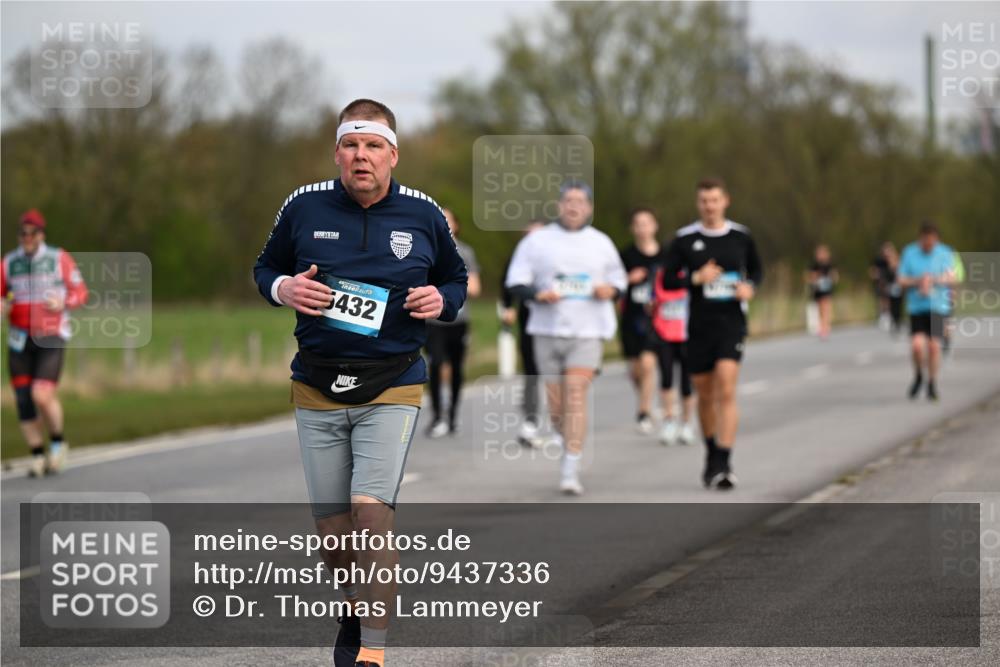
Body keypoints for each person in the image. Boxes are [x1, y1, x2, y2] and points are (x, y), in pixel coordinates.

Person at [253, 98, 467, 667]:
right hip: (317, 385)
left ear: (393, 154)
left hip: (391, 383)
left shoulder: (421, 214)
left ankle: (370, 654)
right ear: (337, 153)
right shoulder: (303, 206)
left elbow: (455, 278)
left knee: (369, 510)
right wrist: (285, 290)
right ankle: (357, 606)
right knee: (333, 532)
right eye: (351, 145)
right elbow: (264, 268)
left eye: (373, 145)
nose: (361, 156)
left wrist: (440, 300)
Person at [505, 182, 627, 495]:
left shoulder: (601, 242)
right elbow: (515, 282)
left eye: (580, 201)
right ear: (559, 206)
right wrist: (537, 294)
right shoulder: (538, 241)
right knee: (558, 407)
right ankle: (565, 439)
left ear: (588, 208)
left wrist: (609, 291)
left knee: (576, 395)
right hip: (546, 330)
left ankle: (570, 467)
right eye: (568, 201)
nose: (573, 206)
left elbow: (619, 282)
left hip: (588, 331)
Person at [660, 178, 763, 490]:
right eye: (704, 201)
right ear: (698, 204)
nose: (709, 206)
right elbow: (667, 281)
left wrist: (750, 288)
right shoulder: (684, 239)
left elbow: (757, 271)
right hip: (699, 326)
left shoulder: (741, 237)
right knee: (705, 395)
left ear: (725, 201)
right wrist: (695, 277)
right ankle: (711, 455)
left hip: (731, 322)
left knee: (727, 389)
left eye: (714, 200)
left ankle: (725, 461)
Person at [2, 210, 87, 477]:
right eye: (23, 233)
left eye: (32, 233)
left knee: (42, 394)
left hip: (51, 335)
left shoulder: (58, 258)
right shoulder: (8, 263)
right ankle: (37, 455)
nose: (27, 238)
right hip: (19, 338)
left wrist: (64, 302)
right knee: (23, 399)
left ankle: (58, 442)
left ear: (42, 235)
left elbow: (81, 292)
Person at [424, 208, 480, 437]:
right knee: (435, 364)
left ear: (456, 225)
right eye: (441, 220)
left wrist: (452, 289)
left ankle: (453, 416)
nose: (445, 224)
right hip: (432, 321)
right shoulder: (425, 250)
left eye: (449, 220)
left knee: (456, 368)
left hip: (458, 320)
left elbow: (475, 287)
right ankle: (438, 417)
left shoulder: (465, 252)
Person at [897, 221, 958, 402]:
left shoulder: (945, 252)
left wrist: (933, 280)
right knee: (917, 346)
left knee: (934, 347)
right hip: (917, 307)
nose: (928, 245)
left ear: (936, 239)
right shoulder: (909, 253)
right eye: (925, 242)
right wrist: (918, 282)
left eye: (931, 242)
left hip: (939, 307)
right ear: (920, 239)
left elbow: (952, 277)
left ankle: (932, 382)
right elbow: (901, 279)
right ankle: (918, 375)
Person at [499, 221, 546, 447]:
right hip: (530, 322)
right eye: (528, 234)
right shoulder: (519, 256)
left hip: (559, 326)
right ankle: (530, 422)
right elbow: (507, 283)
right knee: (532, 372)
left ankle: (564, 422)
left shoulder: (557, 255)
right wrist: (508, 307)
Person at [619, 207, 662, 434]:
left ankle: (643, 412)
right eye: (638, 224)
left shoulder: (665, 255)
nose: (642, 228)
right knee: (635, 371)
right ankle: (647, 399)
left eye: (646, 223)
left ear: (655, 226)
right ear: (633, 229)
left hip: (656, 320)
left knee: (648, 364)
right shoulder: (625, 256)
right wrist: (628, 279)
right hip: (630, 319)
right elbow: (613, 285)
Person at [650, 264, 697, 446]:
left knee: (687, 383)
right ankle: (669, 421)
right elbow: (654, 299)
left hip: (687, 335)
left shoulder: (693, 274)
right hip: (664, 335)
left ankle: (686, 423)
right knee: (667, 379)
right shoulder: (661, 274)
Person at [806, 244, 838, 340]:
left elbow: (835, 277)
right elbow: (809, 277)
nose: (821, 255)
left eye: (822, 253)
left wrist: (831, 278)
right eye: (819, 253)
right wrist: (814, 278)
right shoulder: (814, 265)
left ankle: (825, 327)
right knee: (820, 308)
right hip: (817, 289)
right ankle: (821, 325)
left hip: (827, 289)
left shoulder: (830, 265)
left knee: (826, 306)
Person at [882, 243, 904, 336]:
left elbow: (902, 275)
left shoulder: (899, 263)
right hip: (890, 288)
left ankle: (898, 321)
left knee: (898, 305)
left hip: (898, 287)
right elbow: (885, 276)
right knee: (891, 305)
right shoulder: (885, 264)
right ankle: (893, 321)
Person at [870, 245, 892, 330]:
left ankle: (889, 315)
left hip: (890, 282)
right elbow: (873, 271)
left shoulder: (891, 260)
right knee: (881, 299)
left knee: (889, 299)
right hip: (880, 282)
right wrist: (876, 275)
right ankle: (882, 315)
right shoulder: (878, 260)